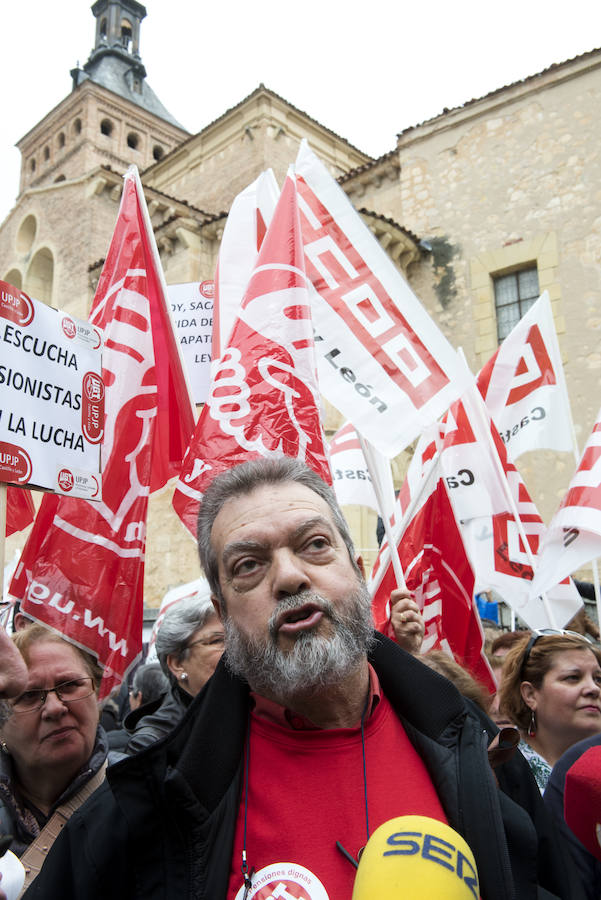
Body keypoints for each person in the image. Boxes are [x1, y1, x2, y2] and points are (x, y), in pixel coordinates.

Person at [25, 458, 574, 899]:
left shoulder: (480, 748)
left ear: (357, 570)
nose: (289, 577)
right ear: (223, 610)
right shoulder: (147, 808)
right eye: (248, 565)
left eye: (314, 545)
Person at [0, 624, 115, 893]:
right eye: (29, 696)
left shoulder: (145, 793)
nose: (54, 708)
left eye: (70, 685)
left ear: (97, 693)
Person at [497, 630, 601, 792]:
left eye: (598, 679)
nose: (593, 689)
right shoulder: (497, 766)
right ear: (530, 694)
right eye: (573, 677)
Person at [125, 593, 224, 754]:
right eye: (217, 641)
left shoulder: (250, 710)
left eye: (235, 639)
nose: (234, 651)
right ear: (177, 664)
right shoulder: (151, 744)